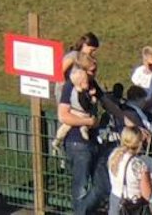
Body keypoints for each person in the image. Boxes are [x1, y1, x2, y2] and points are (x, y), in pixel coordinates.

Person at [57, 62, 105, 215]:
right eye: (91, 70)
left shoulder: (91, 84)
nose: (94, 73)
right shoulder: (70, 87)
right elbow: (63, 115)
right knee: (81, 187)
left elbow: (103, 101)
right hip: (77, 142)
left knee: (102, 185)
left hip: (93, 140)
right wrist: (87, 121)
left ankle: (84, 211)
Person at [107, 126, 152, 215]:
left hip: (115, 201)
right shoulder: (138, 165)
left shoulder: (114, 155)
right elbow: (147, 194)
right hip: (133, 205)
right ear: (140, 143)